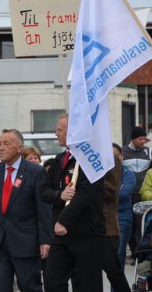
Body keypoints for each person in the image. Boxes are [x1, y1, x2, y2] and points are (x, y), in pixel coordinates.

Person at [0, 129, 53, 292]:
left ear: (20, 148)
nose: (1, 148)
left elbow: (44, 208)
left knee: (29, 286)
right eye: (0, 144)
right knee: (1, 287)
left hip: (25, 242)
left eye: (6, 144)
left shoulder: (35, 172)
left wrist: (45, 240)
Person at [39, 113, 105, 292]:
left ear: (73, 132)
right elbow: (44, 191)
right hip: (61, 235)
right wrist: (60, 195)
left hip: (85, 232)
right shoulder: (59, 159)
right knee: (52, 280)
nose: (56, 133)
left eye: (60, 130)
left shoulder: (90, 160)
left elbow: (85, 195)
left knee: (86, 284)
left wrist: (64, 220)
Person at [122, 126, 152, 257]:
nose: (143, 141)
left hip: (144, 194)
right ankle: (133, 251)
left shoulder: (149, 152)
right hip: (128, 195)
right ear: (133, 138)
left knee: (141, 223)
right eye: (140, 139)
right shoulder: (122, 152)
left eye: (144, 139)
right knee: (129, 224)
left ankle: (141, 251)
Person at [102, 154, 132, 292]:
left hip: (113, 221)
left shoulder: (125, 172)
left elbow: (119, 193)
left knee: (114, 265)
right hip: (89, 224)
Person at [113, 143, 136, 270]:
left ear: (121, 157)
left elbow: (123, 194)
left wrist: (108, 192)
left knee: (118, 253)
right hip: (104, 218)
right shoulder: (101, 174)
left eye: (115, 156)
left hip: (122, 218)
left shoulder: (128, 174)